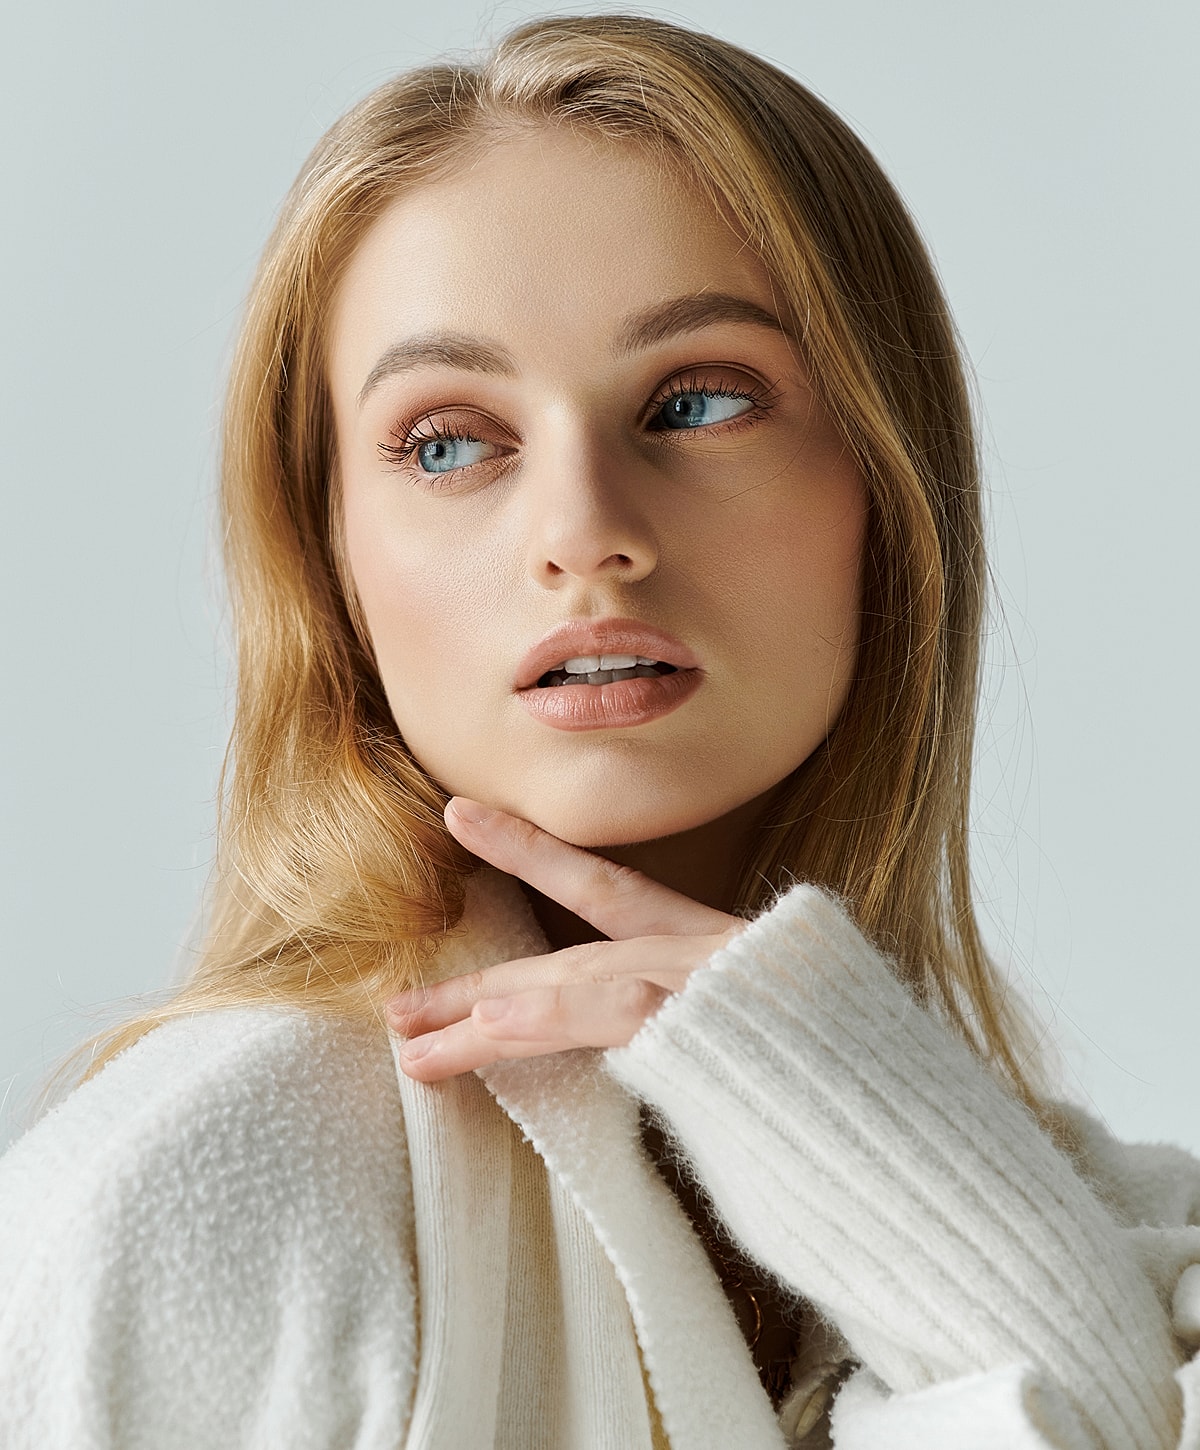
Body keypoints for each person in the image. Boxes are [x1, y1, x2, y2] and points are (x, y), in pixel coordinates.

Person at [1, 12, 1198, 1449]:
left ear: (888, 489)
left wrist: (888, 1162)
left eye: (696, 402)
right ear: (329, 561)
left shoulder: (1114, 1226)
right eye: (448, 442)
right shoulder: (199, 1194)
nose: (585, 536)